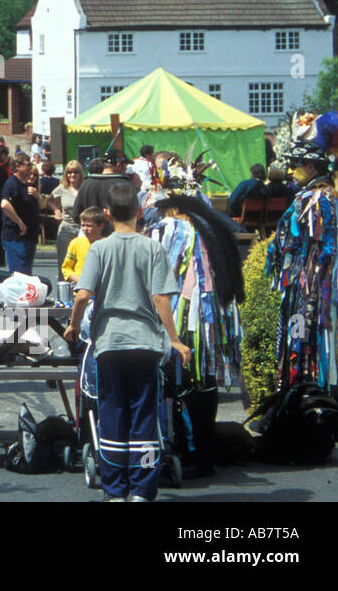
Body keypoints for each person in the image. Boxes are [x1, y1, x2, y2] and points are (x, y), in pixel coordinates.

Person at [63, 183, 191, 502]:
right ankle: (143, 491)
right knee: (145, 416)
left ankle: (116, 490)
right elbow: (161, 298)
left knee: (113, 413)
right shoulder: (153, 249)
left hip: (110, 344)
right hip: (145, 344)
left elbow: (82, 295)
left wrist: (73, 326)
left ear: (106, 214)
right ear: (137, 212)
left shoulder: (99, 249)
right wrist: (174, 340)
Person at [148, 194, 245, 478]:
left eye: (165, 210)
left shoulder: (175, 231)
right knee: (205, 380)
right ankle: (203, 452)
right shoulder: (212, 230)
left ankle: (187, 449)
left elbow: (160, 277)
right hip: (212, 320)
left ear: (175, 209)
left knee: (182, 382)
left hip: (186, 318)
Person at [0, 154, 41, 274]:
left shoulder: (25, 185)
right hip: (17, 238)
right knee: (19, 276)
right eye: (28, 164)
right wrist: (20, 223)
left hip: (28, 238)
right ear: (17, 166)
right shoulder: (12, 183)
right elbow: (4, 204)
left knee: (26, 276)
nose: (30, 167)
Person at [60, 207, 110, 282]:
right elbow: (66, 268)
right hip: (81, 289)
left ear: (101, 226)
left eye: (89, 226)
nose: (85, 229)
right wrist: (79, 280)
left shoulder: (107, 245)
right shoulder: (76, 243)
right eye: (83, 225)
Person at [51, 159, 85, 264]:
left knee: (81, 263)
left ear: (80, 173)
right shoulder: (62, 188)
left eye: (75, 172)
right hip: (66, 228)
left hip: (83, 229)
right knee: (65, 263)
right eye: (69, 172)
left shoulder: (85, 188)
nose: (72, 175)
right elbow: (49, 200)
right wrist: (56, 210)